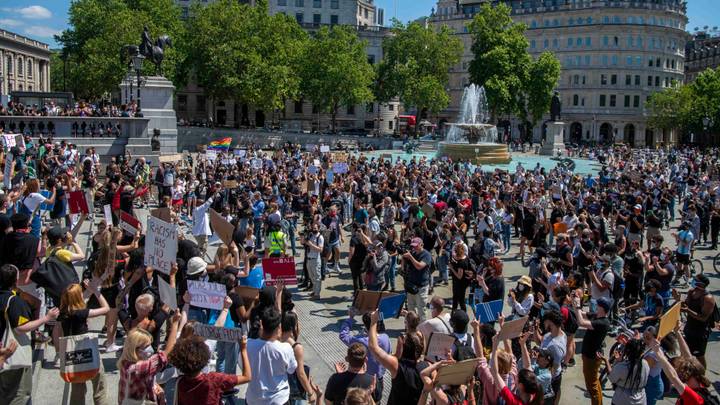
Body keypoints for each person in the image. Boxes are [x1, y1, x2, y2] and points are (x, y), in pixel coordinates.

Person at [0, 264, 60, 405]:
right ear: (15, 280)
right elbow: (21, 327)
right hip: (12, 354)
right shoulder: (13, 301)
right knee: (19, 395)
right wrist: (46, 318)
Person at [57, 282, 110, 404]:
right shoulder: (82, 313)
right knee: (99, 385)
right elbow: (106, 308)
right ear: (78, 297)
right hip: (88, 353)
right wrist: (95, 291)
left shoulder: (62, 314)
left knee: (77, 390)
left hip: (73, 357)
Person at [117, 312, 181, 404]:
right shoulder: (140, 367)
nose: (150, 348)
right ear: (136, 349)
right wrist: (175, 324)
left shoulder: (125, 360)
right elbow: (167, 353)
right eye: (146, 346)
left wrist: (155, 387)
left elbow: (143, 380)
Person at [169, 335, 251, 405]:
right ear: (204, 357)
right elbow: (247, 377)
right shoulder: (214, 379)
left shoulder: (180, 382)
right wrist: (243, 349)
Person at [367, 310, 426, 405]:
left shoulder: (397, 367)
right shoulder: (426, 367)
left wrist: (373, 321)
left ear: (403, 347)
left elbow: (373, 347)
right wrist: (410, 320)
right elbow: (419, 339)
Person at [245, 307, 298, 405]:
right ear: (279, 327)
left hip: (253, 399)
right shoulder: (286, 348)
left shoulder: (248, 345)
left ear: (261, 324)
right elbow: (291, 369)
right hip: (279, 400)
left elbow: (243, 365)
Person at [339, 309, 391, 402]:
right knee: (377, 401)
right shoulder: (386, 338)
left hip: (364, 380)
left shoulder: (360, 340)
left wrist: (350, 318)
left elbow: (343, 335)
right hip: (379, 378)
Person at [573, 295, 612, 405]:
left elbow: (581, 322)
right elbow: (582, 314)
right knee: (594, 383)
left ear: (601, 308)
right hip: (589, 355)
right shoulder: (597, 317)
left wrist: (576, 307)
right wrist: (576, 303)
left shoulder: (602, 323)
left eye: (597, 305)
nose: (595, 306)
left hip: (591, 357)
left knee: (592, 386)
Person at [489, 334, 544, 405]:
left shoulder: (514, 402)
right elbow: (528, 366)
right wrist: (522, 344)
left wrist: (494, 347)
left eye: (517, 377)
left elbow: (495, 373)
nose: (516, 375)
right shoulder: (533, 394)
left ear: (521, 385)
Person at [599, 338, 649, 405]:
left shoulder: (623, 367)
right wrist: (619, 361)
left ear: (627, 351)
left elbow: (612, 378)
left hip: (622, 400)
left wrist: (607, 361)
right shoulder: (645, 364)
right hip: (641, 400)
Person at [280, 312, 316, 405]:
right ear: (294, 325)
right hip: (293, 391)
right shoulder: (296, 347)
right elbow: (300, 373)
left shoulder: (276, 340)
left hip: (279, 387)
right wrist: (310, 392)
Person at [681, 274, 715, 369]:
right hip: (688, 328)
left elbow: (703, 318)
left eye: (695, 280)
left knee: (699, 356)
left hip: (700, 332)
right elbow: (686, 304)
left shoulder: (708, 299)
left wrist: (687, 310)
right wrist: (677, 299)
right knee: (685, 352)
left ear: (701, 284)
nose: (693, 281)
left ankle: (702, 376)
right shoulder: (691, 292)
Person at [401, 237, 433, 322]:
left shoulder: (426, 255)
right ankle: (412, 327)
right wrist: (403, 259)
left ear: (421, 244)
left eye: (416, 246)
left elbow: (419, 266)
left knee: (421, 310)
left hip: (421, 287)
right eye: (413, 246)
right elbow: (403, 269)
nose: (414, 248)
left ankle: (422, 330)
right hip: (411, 285)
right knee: (411, 309)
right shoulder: (413, 253)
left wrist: (410, 257)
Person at [449, 243, 473, 312]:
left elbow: (459, 276)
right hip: (463, 282)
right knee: (457, 299)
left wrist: (452, 268)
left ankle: (461, 315)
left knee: (459, 300)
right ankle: (456, 313)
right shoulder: (465, 256)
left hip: (460, 284)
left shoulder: (461, 263)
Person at [302, 222, 324, 299]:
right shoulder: (310, 235)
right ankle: (314, 291)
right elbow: (303, 242)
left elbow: (320, 250)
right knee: (311, 277)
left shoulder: (320, 237)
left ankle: (317, 294)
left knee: (317, 277)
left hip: (316, 259)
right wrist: (302, 236)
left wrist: (311, 244)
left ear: (318, 228)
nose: (313, 229)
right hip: (309, 259)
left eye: (315, 228)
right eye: (313, 228)